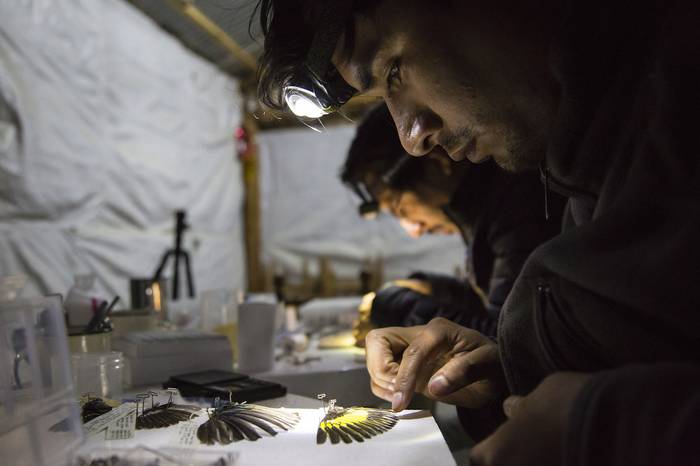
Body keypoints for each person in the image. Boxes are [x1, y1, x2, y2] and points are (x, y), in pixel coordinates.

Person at [253, 1, 700, 465]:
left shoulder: (678, 103)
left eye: (394, 72)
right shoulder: (592, 173)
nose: (411, 138)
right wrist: (504, 372)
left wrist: (602, 425)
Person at [343, 104, 563, 342]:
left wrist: (397, 306)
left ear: (437, 163)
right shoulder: (481, 207)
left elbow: (509, 341)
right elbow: (495, 299)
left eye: (400, 208)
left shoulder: (518, 202)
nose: (414, 231)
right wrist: (430, 288)